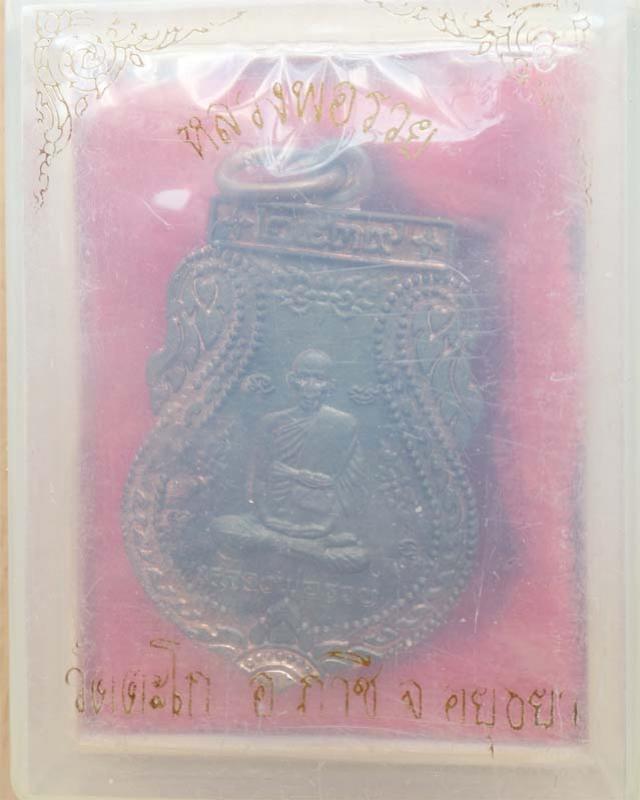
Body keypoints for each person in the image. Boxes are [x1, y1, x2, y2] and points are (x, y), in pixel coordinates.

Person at [211, 349, 369, 573]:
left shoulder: (343, 424)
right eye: (304, 377)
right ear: (291, 380)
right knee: (221, 526)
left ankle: (287, 545)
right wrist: (268, 517)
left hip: (321, 523)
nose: (310, 387)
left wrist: (324, 520)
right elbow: (257, 481)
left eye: (319, 379)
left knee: (361, 557)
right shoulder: (270, 422)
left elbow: (348, 487)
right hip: (268, 520)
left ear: (330, 385)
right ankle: (310, 551)